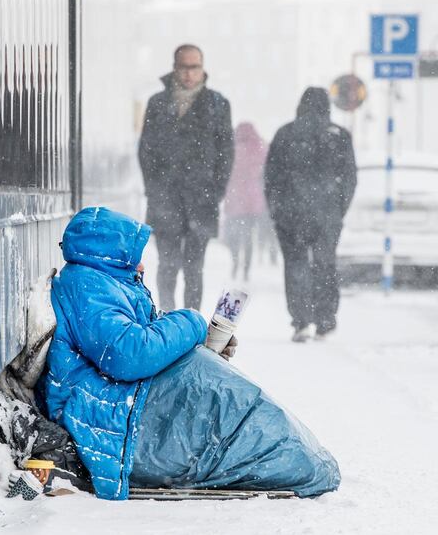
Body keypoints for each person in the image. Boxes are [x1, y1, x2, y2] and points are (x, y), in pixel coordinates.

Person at [38, 207, 340, 500]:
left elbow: (138, 336)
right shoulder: (88, 286)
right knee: (223, 402)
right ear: (108, 255)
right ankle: (293, 463)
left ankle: (291, 458)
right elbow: (128, 355)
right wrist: (192, 322)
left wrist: (200, 345)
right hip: (111, 410)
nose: (141, 266)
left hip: (121, 397)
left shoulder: (102, 282)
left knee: (222, 394)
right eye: (133, 257)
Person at [138, 44, 234, 311]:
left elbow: (226, 153)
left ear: (203, 68)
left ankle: (190, 322)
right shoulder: (158, 104)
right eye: (185, 67)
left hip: (202, 199)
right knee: (167, 266)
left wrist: (216, 192)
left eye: (195, 67)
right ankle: (167, 317)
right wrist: (154, 189)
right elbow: (146, 151)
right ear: (175, 68)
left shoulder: (217, 104)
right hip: (165, 199)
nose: (190, 73)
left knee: (194, 269)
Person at [264, 87, 357, 343]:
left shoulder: (285, 134)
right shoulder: (339, 136)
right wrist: (338, 210)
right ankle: (325, 320)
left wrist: (276, 209)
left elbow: (271, 177)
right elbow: (349, 179)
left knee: (295, 265)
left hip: (291, 214)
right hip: (327, 215)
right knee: (325, 264)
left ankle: (301, 321)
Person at [222, 122, 268, 281]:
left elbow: (224, 171)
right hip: (253, 203)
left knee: (233, 236)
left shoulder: (231, 149)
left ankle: (235, 261)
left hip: (234, 200)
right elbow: (265, 172)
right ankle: (246, 269)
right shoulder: (260, 148)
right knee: (248, 237)